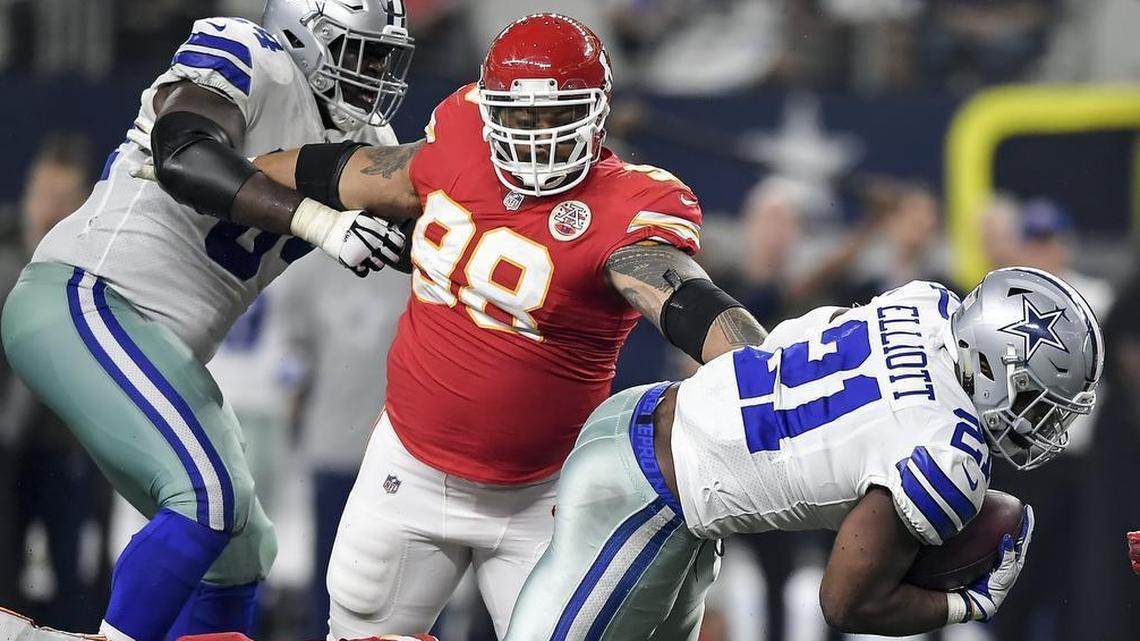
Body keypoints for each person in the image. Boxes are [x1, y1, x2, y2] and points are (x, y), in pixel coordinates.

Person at [197, 13, 766, 638]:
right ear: (492, 111)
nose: (535, 136)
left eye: (556, 116)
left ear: (597, 115)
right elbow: (363, 169)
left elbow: (683, 298)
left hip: (542, 495)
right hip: (409, 466)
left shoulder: (628, 207)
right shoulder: (461, 137)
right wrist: (238, 167)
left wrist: (763, 374)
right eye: (519, 117)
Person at [0, 3, 413, 640]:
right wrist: (320, 221)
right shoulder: (251, 55)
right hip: (89, 297)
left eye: (387, 56)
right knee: (207, 497)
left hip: (161, 347)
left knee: (241, 551)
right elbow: (184, 155)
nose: (380, 72)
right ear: (308, 37)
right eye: (366, 53)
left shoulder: (367, 147)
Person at [500, 267, 1103, 639]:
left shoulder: (924, 303)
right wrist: (965, 604)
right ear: (995, 365)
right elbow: (845, 602)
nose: (1040, 422)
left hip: (651, 428)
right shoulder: (949, 454)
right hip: (646, 501)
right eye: (1037, 399)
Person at [0, 133, 112, 630]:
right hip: (7, 450)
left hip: (69, 444)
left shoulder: (95, 264)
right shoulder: (3, 253)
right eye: (42, 195)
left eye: (61, 201)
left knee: (76, 575)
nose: (47, 209)